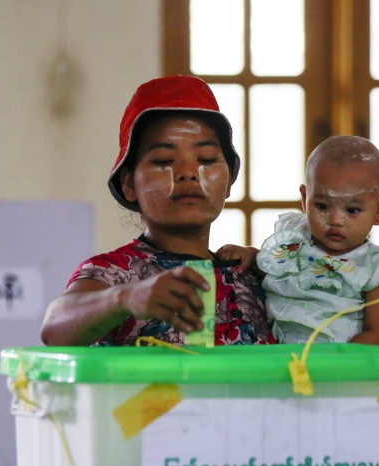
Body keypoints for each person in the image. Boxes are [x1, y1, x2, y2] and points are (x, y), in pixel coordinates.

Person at [40, 76, 275, 346]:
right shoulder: (114, 274)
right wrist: (126, 298)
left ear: (229, 181)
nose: (188, 173)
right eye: (164, 161)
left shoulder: (251, 274)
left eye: (207, 160)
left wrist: (271, 266)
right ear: (130, 184)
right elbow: (54, 328)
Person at [216, 136, 379, 345]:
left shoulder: (376, 269)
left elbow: (377, 334)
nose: (335, 220)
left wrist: (336, 367)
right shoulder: (294, 242)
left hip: (344, 366)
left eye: (352, 210)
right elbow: (272, 268)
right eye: (322, 206)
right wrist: (250, 255)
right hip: (281, 359)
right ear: (305, 199)